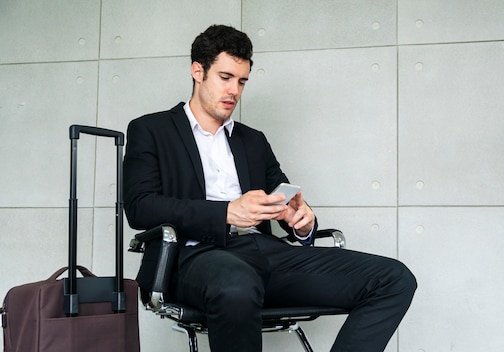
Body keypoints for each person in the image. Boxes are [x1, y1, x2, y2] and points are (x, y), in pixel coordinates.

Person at [123, 24, 417, 352]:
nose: (234, 90)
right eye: (225, 77)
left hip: (266, 254)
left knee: (394, 279)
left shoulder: (253, 140)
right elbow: (140, 206)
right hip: (193, 257)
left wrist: (302, 223)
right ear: (198, 71)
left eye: (242, 81)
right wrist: (226, 213)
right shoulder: (151, 129)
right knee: (236, 283)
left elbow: (282, 200)